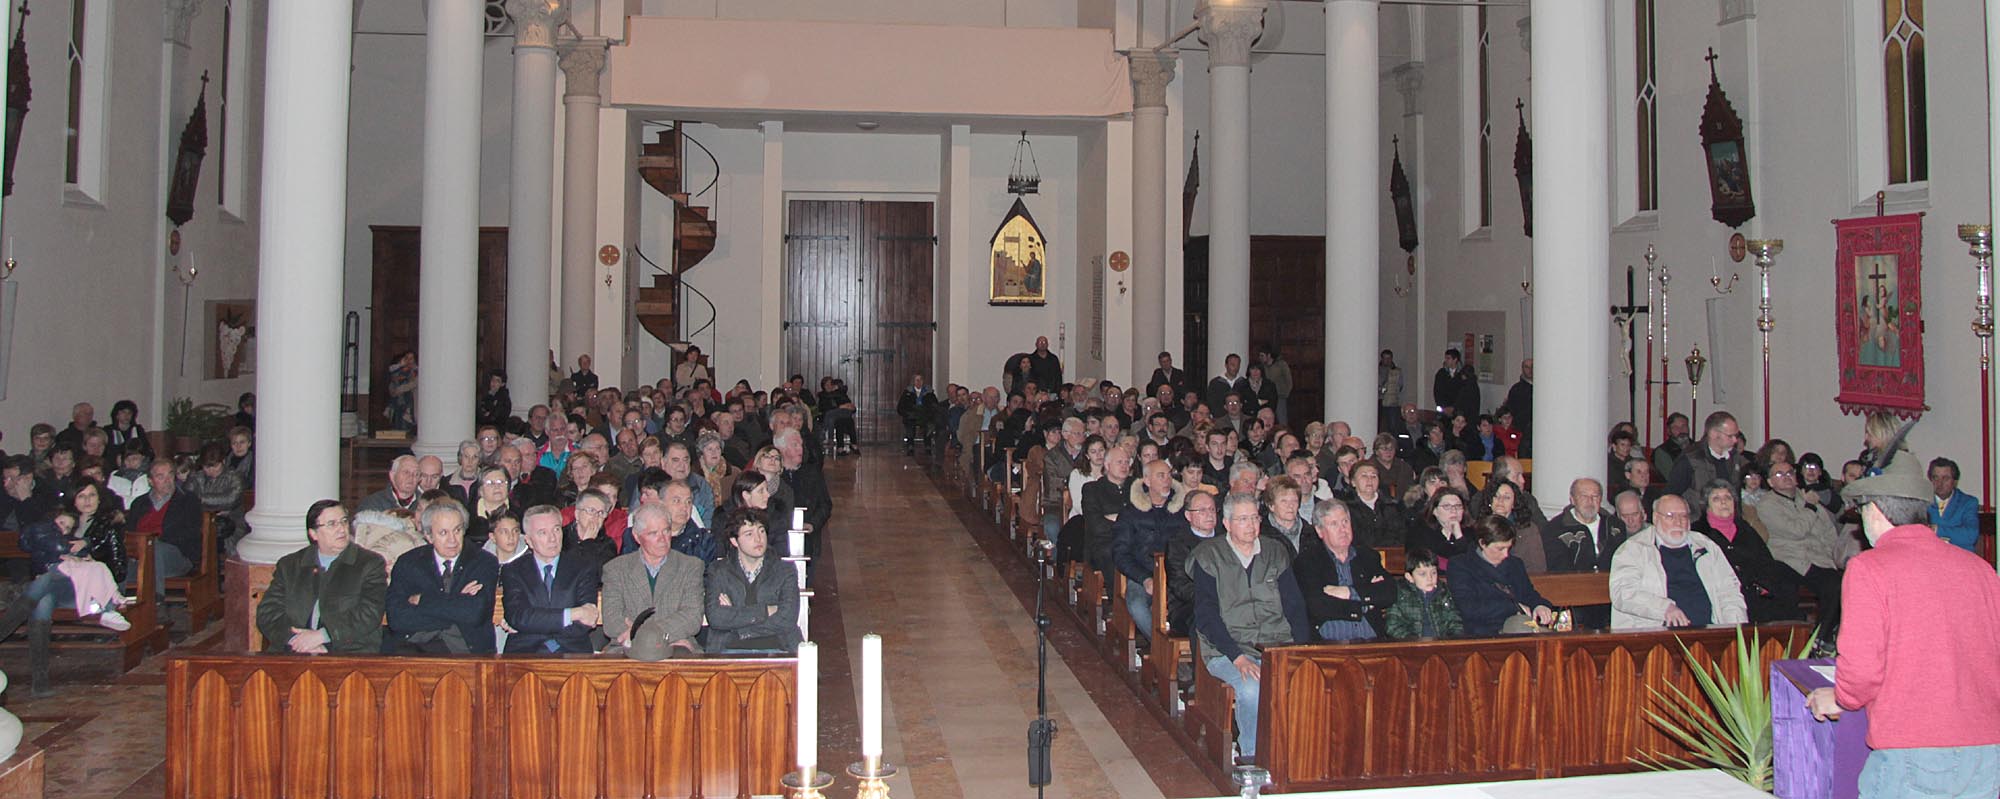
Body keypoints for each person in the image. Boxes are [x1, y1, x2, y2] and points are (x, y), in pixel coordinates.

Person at [1806, 457, 2000, 797]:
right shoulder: (1980, 569)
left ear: (1875, 511)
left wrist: (1841, 697)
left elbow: (1862, 669)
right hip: (1987, 749)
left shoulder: (1869, 568)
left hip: (1913, 746)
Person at [1186, 492, 1312, 763]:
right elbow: (1206, 616)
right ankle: (1252, 759)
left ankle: (1296, 758)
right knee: (1252, 689)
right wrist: (1237, 657)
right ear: (1227, 523)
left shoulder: (1274, 552)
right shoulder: (1209, 556)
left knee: (1308, 682)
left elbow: (1294, 606)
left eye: (1255, 518)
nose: (1251, 525)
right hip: (1227, 649)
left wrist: (1300, 650)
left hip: (1276, 645)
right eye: (1243, 519)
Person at [255, 500, 388, 654]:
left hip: (347, 652)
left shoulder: (369, 563)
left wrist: (323, 636)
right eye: (332, 524)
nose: (341, 529)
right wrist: (295, 640)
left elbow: (370, 613)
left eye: (344, 521)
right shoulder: (290, 565)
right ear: (313, 534)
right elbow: (268, 612)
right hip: (292, 651)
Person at [1608, 494, 1747, 630]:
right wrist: (1664, 608)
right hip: (1655, 635)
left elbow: (1729, 592)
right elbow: (1623, 593)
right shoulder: (1633, 550)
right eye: (1670, 516)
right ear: (1655, 518)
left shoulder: (1706, 546)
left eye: (1683, 516)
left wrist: (1736, 631)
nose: (1678, 522)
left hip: (1709, 632)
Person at [384, 499, 499, 654]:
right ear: (428, 536)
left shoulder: (483, 561)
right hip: (413, 649)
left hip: (466, 652)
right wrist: (457, 602)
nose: (452, 540)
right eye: (443, 533)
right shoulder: (408, 562)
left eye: (457, 530)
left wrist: (422, 600)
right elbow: (397, 619)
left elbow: (474, 613)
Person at [600, 501, 705, 660]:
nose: (662, 539)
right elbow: (612, 620)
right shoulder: (615, 569)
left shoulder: (690, 566)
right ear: (637, 537)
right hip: (627, 646)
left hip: (675, 643)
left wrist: (653, 636)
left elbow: (692, 617)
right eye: (653, 533)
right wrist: (645, 639)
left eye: (666, 531)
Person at [1690, 480, 1802, 622]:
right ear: (1706, 505)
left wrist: (1762, 586)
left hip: (1755, 590)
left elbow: (1765, 560)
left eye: (1728, 498)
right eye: (1716, 499)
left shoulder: (1745, 529)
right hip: (1722, 593)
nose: (1724, 502)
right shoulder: (1698, 533)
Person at [1756, 461, 1847, 636]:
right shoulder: (1767, 504)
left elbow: (1828, 530)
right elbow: (1796, 531)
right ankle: (1820, 636)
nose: (1786, 477)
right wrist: (1810, 507)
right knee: (1832, 586)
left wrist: (1832, 556)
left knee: (1844, 583)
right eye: (1779, 474)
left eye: (1790, 473)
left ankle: (1826, 635)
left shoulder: (1805, 496)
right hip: (1790, 559)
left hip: (1819, 557)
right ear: (1770, 482)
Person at [704, 509, 802, 654]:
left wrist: (739, 625)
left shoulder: (785, 570)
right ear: (734, 541)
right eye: (749, 534)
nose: (758, 539)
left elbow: (787, 619)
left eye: (761, 531)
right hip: (728, 650)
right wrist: (765, 611)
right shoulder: (719, 571)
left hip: (778, 648)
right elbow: (716, 617)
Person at [1293, 501, 1394, 642]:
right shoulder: (1308, 561)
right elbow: (1317, 605)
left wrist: (1349, 592)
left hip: (1372, 641)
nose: (1343, 529)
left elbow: (1389, 591)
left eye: (1345, 522)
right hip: (1329, 644)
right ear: (1320, 531)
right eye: (1334, 524)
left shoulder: (1367, 556)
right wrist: (1364, 604)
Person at [1112, 459, 1186, 640]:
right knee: (1136, 604)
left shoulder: (1181, 511)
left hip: (1177, 574)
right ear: (1147, 480)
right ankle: (1158, 645)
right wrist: (1144, 578)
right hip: (1143, 573)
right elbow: (1120, 553)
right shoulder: (1131, 513)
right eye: (1161, 476)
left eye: (1169, 475)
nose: (1167, 480)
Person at [1448, 515, 1555, 635]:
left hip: (1520, 626)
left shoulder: (1515, 564)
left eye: (1508, 548)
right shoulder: (1461, 565)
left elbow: (1528, 594)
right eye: (1500, 549)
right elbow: (1468, 608)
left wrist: (1539, 605)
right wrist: (1512, 607)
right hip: (1485, 631)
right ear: (1482, 543)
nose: (1506, 554)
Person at [129, 459, 203, 597]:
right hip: (140, 555)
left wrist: (155, 540)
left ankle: (156, 600)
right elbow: (130, 533)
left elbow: (191, 533)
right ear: (150, 481)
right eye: (160, 476)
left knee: (154, 547)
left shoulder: (188, 500)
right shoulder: (139, 504)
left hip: (176, 554)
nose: (167, 480)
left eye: (170, 475)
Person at [1540, 478, 1626, 574]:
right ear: (1572, 500)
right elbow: (1558, 570)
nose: (1590, 501)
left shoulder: (1615, 526)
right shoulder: (1554, 530)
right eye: (1584, 496)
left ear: (1600, 499)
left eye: (1595, 496)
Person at [1666, 411, 1749, 507]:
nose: (1735, 440)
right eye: (1730, 436)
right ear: (1713, 434)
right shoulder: (1690, 459)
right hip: (1698, 514)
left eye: (1736, 435)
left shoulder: (1735, 457)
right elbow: (1671, 495)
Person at [1385, 548, 1465, 640]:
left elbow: (1455, 621)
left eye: (1433, 572)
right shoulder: (1400, 594)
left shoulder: (1443, 592)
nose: (1430, 578)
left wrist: (1450, 640)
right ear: (1409, 577)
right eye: (1422, 574)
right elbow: (1393, 626)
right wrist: (1413, 640)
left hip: (1441, 643)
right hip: (1411, 644)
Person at [1407, 488, 1474, 562]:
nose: (1454, 510)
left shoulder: (1471, 532)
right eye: (1447, 506)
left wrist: (1459, 535)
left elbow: (1470, 560)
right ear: (1435, 511)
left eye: (1458, 506)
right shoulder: (1422, 531)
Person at [1928, 457, 1979, 551]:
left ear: (1955, 481)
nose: (1940, 483)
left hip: (1961, 556)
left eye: (1945, 478)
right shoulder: (1922, 502)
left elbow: (1971, 535)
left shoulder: (1968, 502)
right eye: (1935, 478)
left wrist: (1936, 530)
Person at [384, 351, 418, 431]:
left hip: (411, 401)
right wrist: (393, 390)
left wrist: (400, 389)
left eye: (411, 358)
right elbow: (392, 378)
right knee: (397, 421)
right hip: (398, 401)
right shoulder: (400, 370)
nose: (408, 361)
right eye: (406, 358)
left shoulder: (416, 371)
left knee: (407, 423)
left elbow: (414, 383)